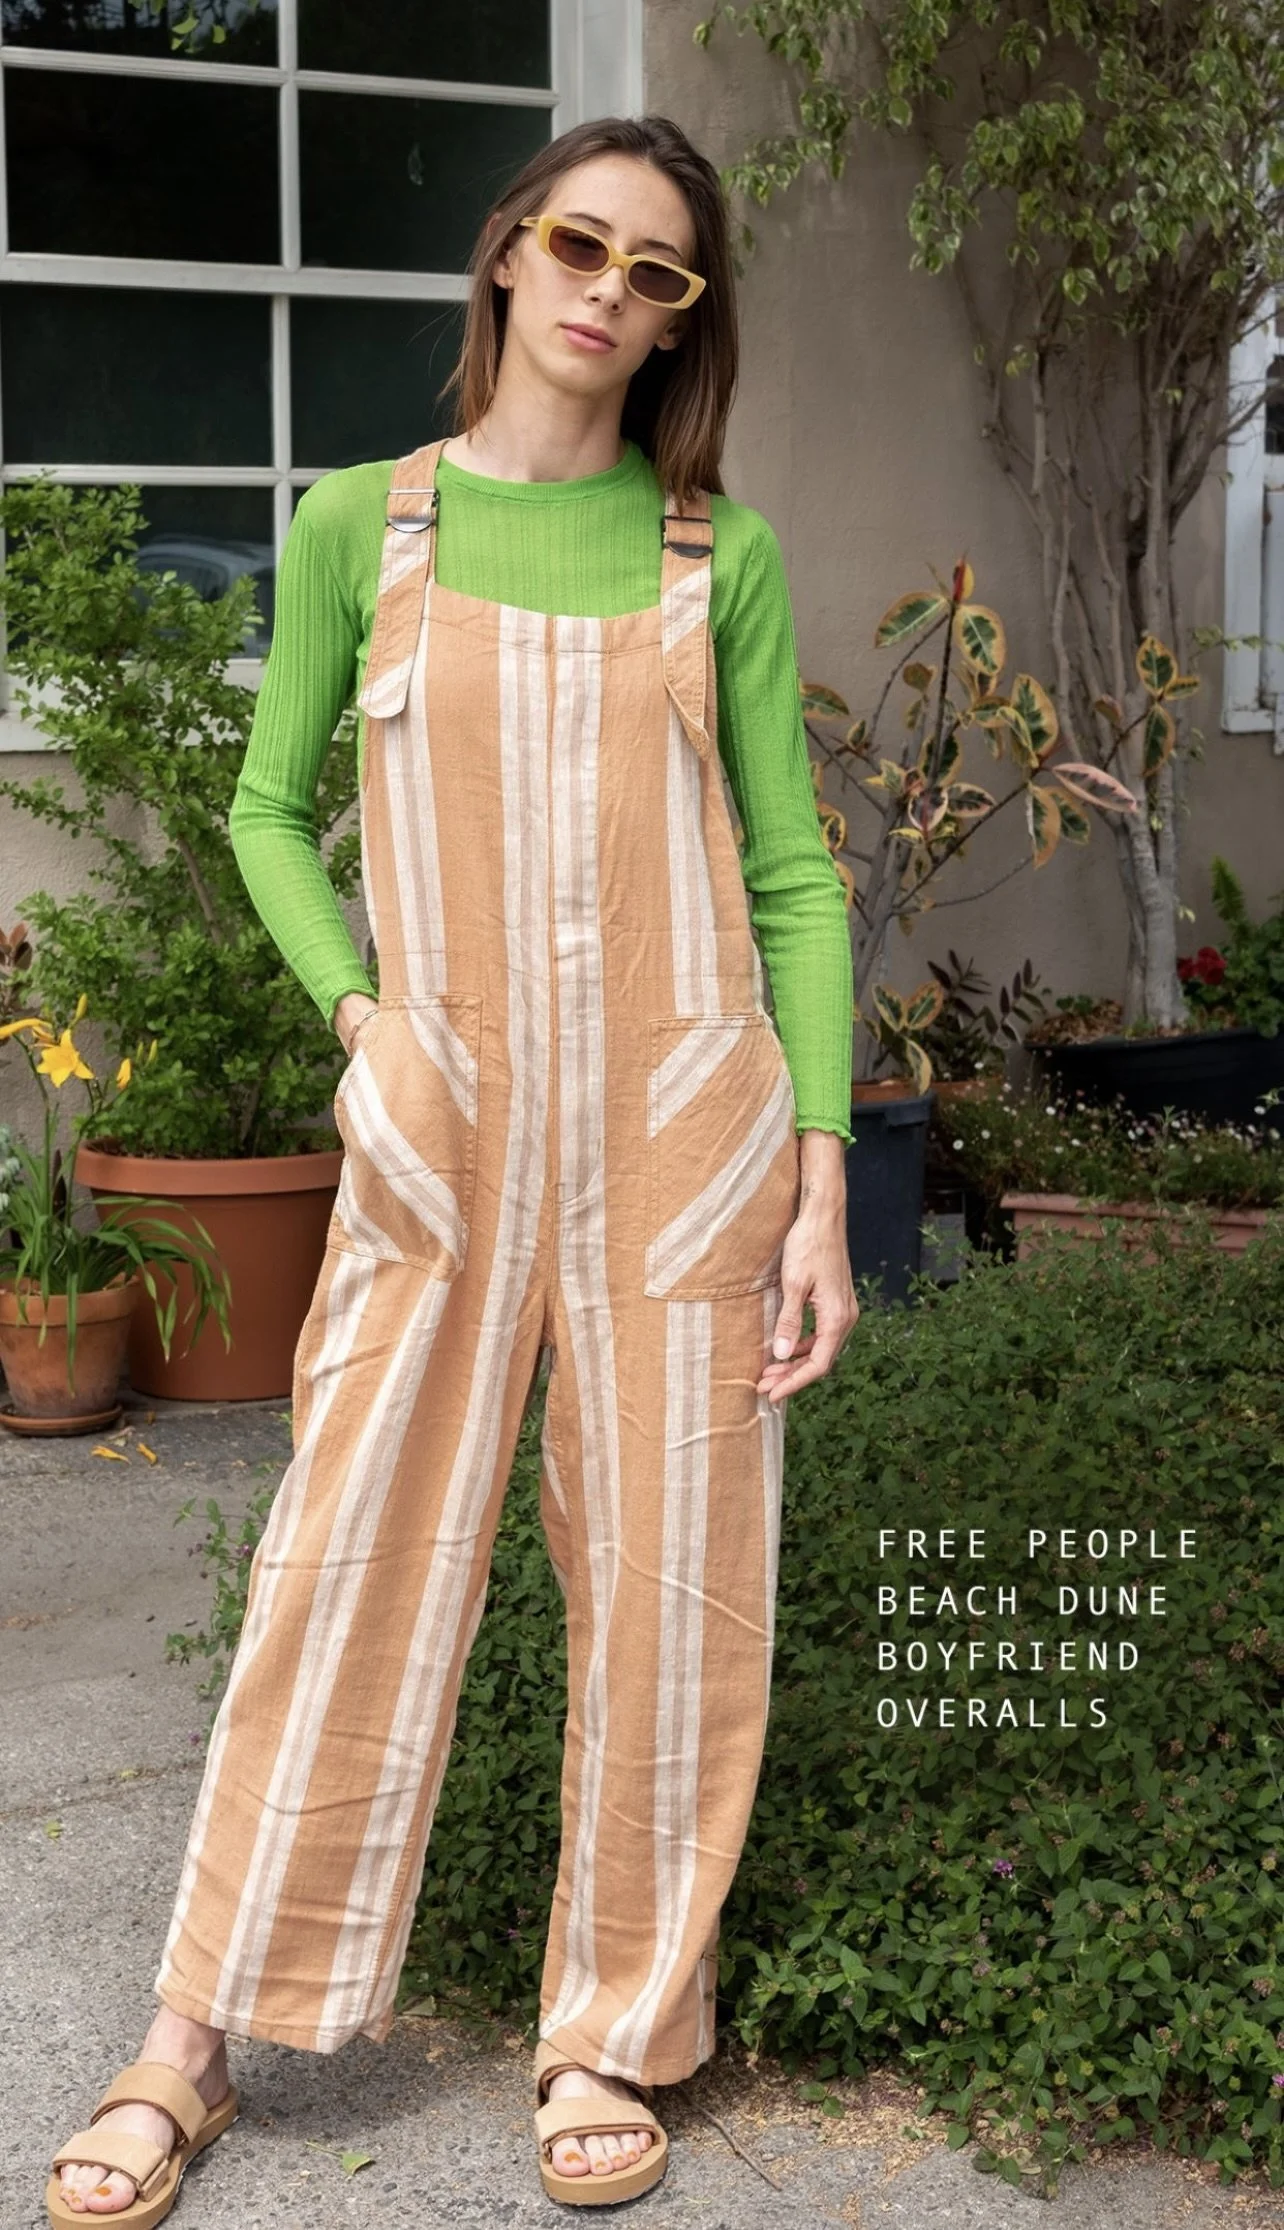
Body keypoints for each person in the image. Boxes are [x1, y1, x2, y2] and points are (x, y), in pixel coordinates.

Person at [45, 112, 859, 2222]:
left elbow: (791, 871)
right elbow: (261, 806)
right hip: (445, 1132)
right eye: (577, 240)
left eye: (658, 266)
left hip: (690, 1139)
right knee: (342, 1557)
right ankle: (190, 2031)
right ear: (508, 256)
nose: (608, 285)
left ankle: (610, 2026)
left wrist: (826, 1172)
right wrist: (363, 1023)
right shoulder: (359, 529)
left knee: (678, 1601)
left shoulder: (717, 555)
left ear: (686, 313)